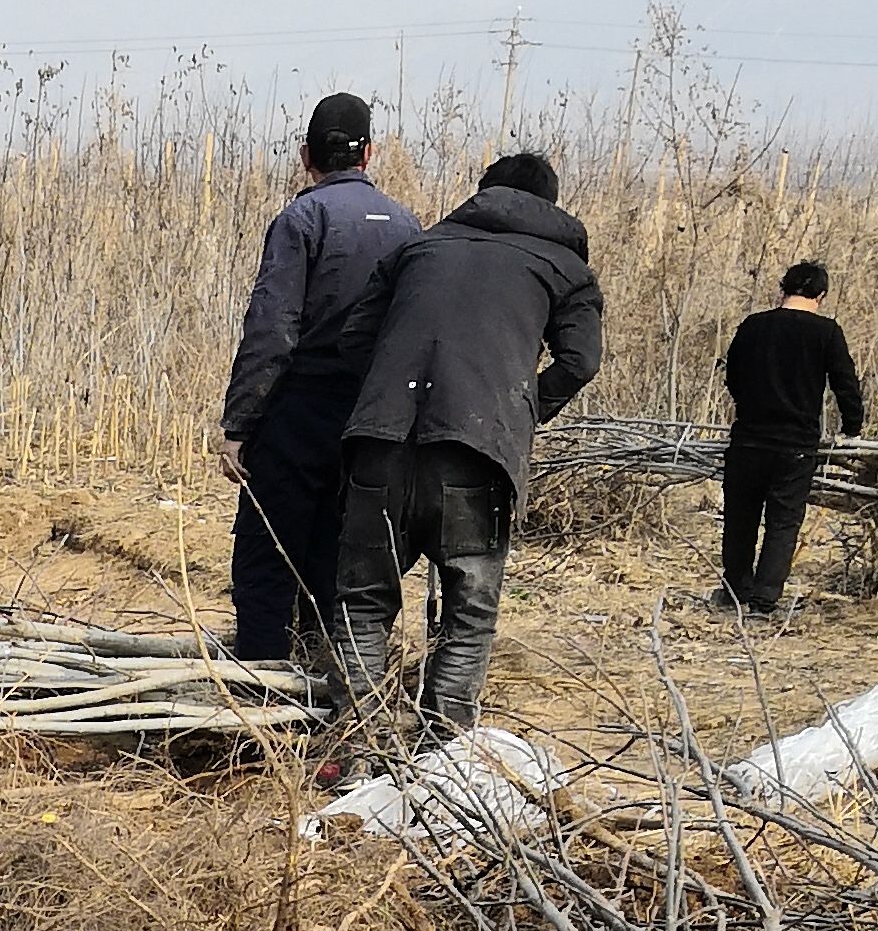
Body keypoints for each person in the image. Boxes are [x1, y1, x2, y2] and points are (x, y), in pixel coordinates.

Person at [329, 150, 605, 737]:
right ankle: (445, 758)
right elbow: (579, 361)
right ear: (550, 204)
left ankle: (357, 744)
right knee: (468, 612)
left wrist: (388, 396)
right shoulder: (565, 267)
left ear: (481, 194)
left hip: (380, 443)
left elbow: (354, 340)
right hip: (476, 455)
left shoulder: (417, 250)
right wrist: (520, 411)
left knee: (362, 601)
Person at [215, 94, 418, 672]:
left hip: (298, 412)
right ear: (370, 153)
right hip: (372, 420)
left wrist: (239, 424)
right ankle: (333, 696)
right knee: (338, 559)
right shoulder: (408, 226)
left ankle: (260, 705)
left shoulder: (301, 220)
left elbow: (272, 329)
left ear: (306, 156)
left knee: (267, 560)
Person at [717, 257, 866, 620]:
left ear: (782, 289)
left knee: (741, 518)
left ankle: (736, 590)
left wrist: (749, 404)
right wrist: (852, 427)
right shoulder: (826, 332)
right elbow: (845, 383)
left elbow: (732, 375)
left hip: (749, 437)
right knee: (783, 521)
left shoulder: (753, 326)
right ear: (822, 294)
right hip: (796, 443)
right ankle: (765, 600)